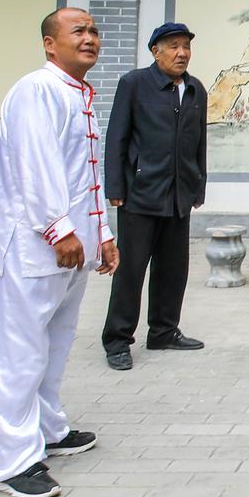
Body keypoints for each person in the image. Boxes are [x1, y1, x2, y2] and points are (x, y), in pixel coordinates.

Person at [0, 8, 117, 497]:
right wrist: (57, 229)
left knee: (55, 344)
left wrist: (102, 235)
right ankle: (10, 462)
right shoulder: (36, 90)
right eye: (79, 32)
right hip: (32, 247)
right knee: (18, 353)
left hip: (69, 249)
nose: (90, 38)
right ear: (50, 44)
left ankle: (49, 429)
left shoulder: (80, 94)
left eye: (93, 31)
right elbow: (35, 166)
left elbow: (85, 176)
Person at [102, 21, 208, 370]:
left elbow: (199, 144)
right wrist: (115, 187)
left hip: (179, 194)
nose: (182, 53)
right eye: (174, 46)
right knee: (131, 270)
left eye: (186, 47)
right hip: (140, 195)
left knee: (174, 268)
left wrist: (198, 185)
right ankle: (117, 340)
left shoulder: (195, 90)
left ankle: (163, 330)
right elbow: (117, 136)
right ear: (155, 51)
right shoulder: (134, 84)